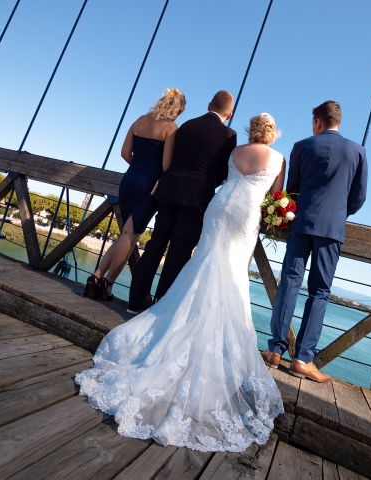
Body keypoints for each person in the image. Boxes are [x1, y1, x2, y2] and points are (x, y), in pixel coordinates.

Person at [76, 113, 286, 452]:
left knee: (203, 264)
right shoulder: (278, 158)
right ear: (273, 133)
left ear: (251, 129)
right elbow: (275, 197)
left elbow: (220, 178)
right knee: (231, 274)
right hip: (245, 214)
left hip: (218, 209)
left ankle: (171, 315)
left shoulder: (236, 151)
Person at [263, 101, 368, 383]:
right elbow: (358, 197)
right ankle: (303, 359)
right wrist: (337, 212)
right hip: (331, 229)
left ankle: (275, 350)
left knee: (290, 282)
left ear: (318, 122)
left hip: (301, 224)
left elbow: (293, 188)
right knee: (319, 291)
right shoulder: (357, 151)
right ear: (338, 121)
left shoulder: (301, 147)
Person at [127, 90, 237, 313]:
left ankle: (135, 302)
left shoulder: (187, 125)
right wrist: (207, 182)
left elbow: (171, 157)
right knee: (179, 252)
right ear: (230, 113)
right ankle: (161, 307)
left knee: (156, 244)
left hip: (168, 190)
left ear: (208, 105)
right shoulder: (229, 135)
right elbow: (223, 172)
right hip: (196, 197)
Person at [83, 88, 185, 300]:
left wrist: (138, 167)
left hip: (128, 180)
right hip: (149, 185)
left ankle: (96, 277)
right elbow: (166, 166)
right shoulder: (171, 128)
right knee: (131, 235)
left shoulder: (140, 120)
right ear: (178, 108)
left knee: (124, 234)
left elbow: (124, 153)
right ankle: (107, 284)